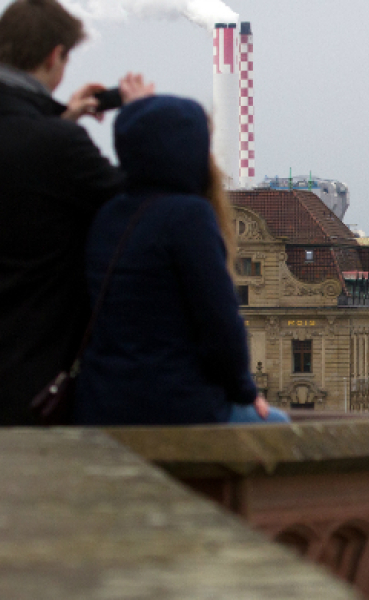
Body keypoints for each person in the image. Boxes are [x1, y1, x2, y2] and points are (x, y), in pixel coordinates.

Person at [0, 0, 153, 426]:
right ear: (54, 55)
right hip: (42, 379)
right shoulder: (59, 146)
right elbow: (138, 201)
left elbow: (10, 163)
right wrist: (142, 115)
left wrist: (59, 117)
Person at [73, 95, 287, 426]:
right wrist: (244, 391)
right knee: (278, 428)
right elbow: (220, 324)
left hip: (100, 402)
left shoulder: (108, 214)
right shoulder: (188, 215)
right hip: (173, 404)